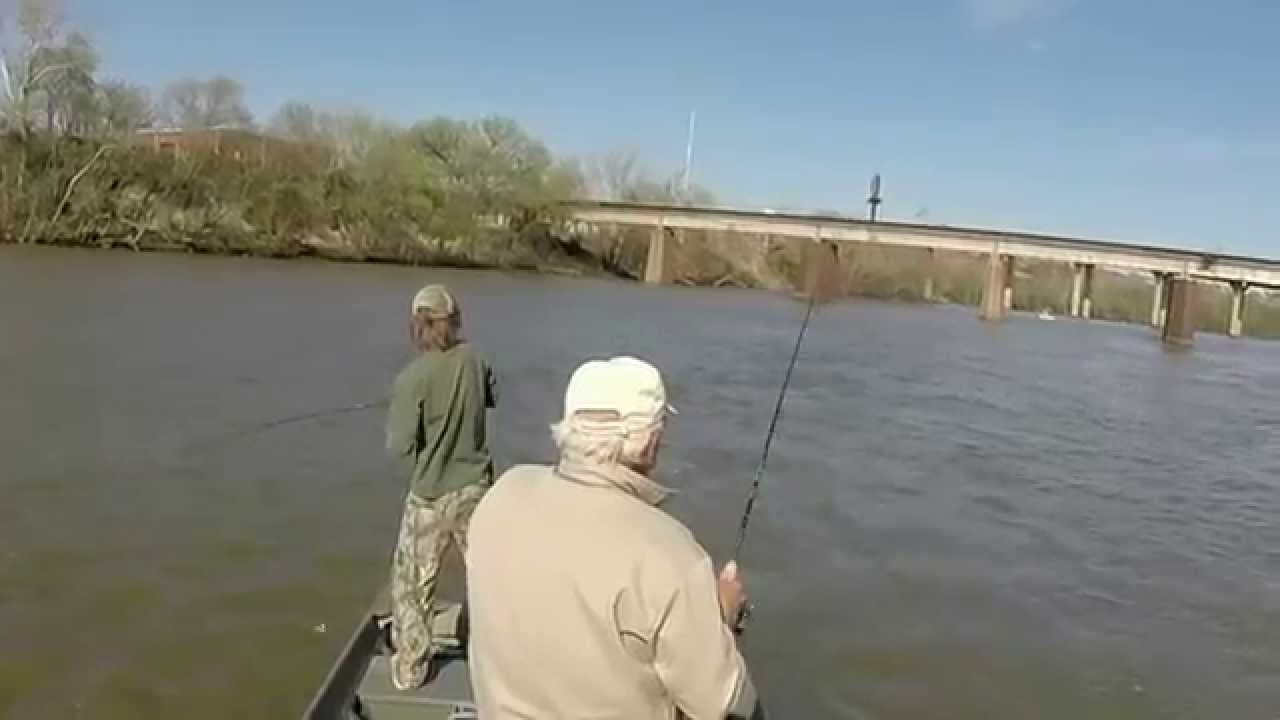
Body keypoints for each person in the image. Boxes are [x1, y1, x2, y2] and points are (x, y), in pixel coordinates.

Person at [466, 356, 754, 719]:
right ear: (650, 442)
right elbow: (723, 704)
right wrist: (721, 617)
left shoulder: (502, 494)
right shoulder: (669, 552)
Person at [384, 283, 497, 691]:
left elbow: (400, 447)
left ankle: (412, 669)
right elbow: (491, 398)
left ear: (417, 325)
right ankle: (492, 661)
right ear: (455, 320)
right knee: (487, 578)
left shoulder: (410, 379)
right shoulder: (477, 361)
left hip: (430, 495)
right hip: (477, 491)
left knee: (412, 586)